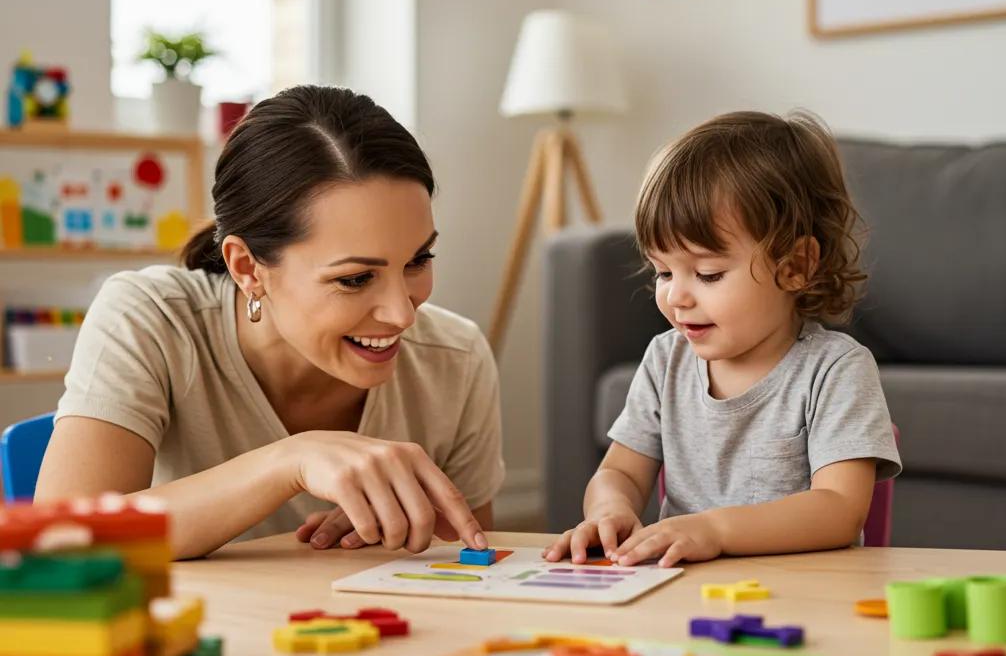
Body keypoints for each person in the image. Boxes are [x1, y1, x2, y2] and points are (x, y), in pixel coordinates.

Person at [36, 85, 503, 559]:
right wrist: (290, 461)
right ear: (246, 267)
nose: (403, 313)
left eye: (418, 259)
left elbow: (472, 563)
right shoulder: (152, 319)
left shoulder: (456, 358)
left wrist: (405, 522)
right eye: (356, 278)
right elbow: (61, 544)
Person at [544, 110, 900, 568]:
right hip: (688, 594)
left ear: (795, 266)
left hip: (804, 593)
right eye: (663, 272)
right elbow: (619, 473)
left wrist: (713, 529)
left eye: (708, 274)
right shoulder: (664, 360)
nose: (676, 295)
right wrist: (609, 508)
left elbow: (839, 510)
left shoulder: (836, 369)